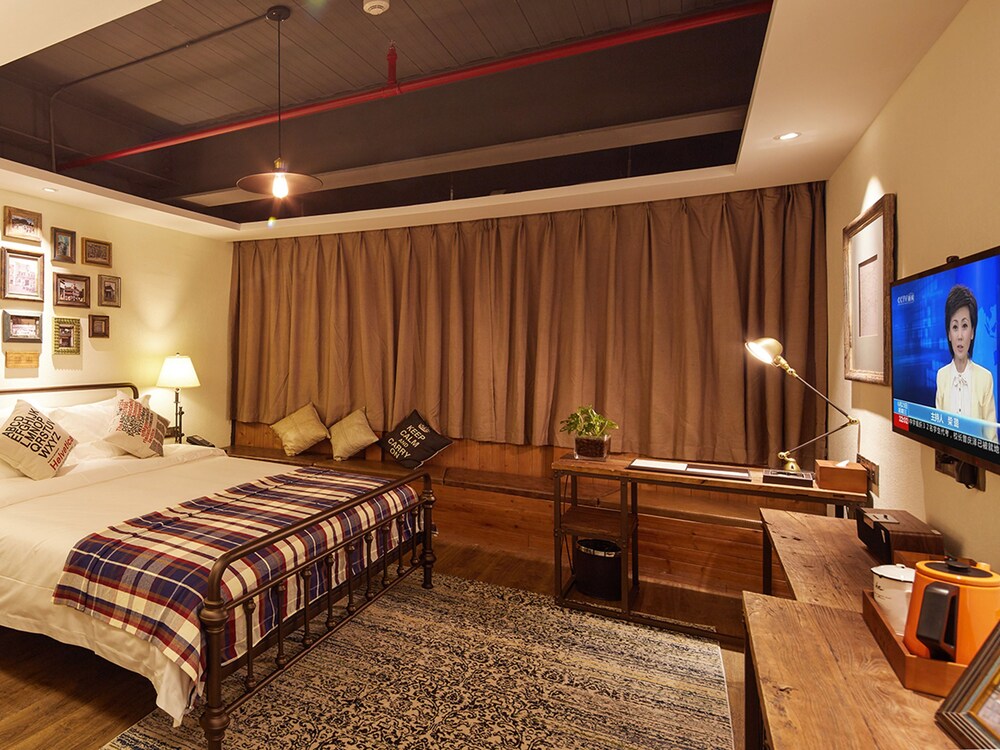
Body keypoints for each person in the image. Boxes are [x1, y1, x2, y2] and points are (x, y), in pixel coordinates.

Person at [935, 284, 998, 441]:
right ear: (949, 334)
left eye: (964, 326)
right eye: (955, 327)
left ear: (972, 332)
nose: (960, 336)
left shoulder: (985, 378)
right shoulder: (941, 376)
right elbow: (938, 431)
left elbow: (991, 438)